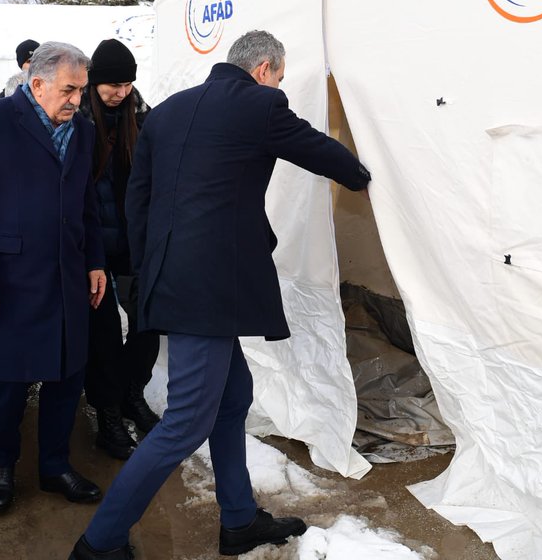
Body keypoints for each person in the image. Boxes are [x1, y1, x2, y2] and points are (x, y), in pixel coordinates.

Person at [72, 31, 371, 560]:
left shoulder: (167, 111)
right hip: (208, 291)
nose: (277, 85)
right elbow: (319, 152)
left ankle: (238, 520)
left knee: (232, 399)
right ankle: (100, 542)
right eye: (279, 77)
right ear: (264, 69)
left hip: (173, 278)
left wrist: (147, 269)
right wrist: (365, 175)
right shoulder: (260, 104)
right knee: (186, 422)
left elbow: (137, 198)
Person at [0, 42, 107, 514]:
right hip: (9, 279)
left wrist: (94, 260)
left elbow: (87, 203)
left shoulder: (83, 131)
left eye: (81, 90)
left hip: (68, 277)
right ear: (37, 84)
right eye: (69, 90)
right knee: (7, 382)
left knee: (67, 376)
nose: (77, 100)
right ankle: (1, 465)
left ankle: (55, 466)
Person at [82, 39, 159, 461]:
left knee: (148, 324)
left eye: (127, 84)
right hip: (91, 246)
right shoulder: (77, 119)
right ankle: (108, 415)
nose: (121, 92)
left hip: (134, 243)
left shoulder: (143, 118)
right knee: (105, 336)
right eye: (113, 84)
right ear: (95, 82)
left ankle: (133, 394)